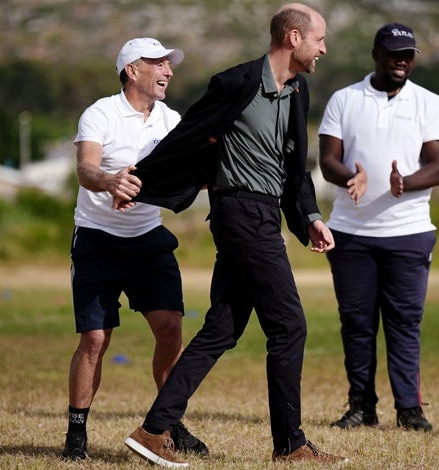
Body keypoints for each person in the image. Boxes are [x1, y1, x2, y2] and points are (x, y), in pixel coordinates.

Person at [117, 3, 346, 467]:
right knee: (289, 325)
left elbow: (294, 169)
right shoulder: (236, 83)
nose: (324, 47)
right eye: (319, 38)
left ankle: (153, 429)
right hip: (238, 212)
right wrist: (139, 180)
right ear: (293, 38)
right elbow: (186, 136)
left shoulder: (298, 91)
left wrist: (310, 218)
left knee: (222, 328)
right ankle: (290, 444)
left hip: (265, 214)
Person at [61, 37, 208, 461]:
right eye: (159, 64)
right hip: (96, 240)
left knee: (171, 328)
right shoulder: (101, 113)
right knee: (95, 338)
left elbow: (188, 175)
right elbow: (86, 168)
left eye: (169, 64)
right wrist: (110, 182)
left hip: (148, 240)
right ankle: (76, 433)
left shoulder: (171, 120)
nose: (168, 72)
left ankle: (168, 423)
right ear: (132, 70)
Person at [318, 22, 439, 432]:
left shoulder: (428, 102)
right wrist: (348, 178)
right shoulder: (344, 99)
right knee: (356, 324)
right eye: (394, 53)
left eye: (408, 54)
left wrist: (404, 183)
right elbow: (328, 160)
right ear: (376, 53)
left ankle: (409, 410)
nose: (402, 61)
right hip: (351, 233)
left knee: (404, 324)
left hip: (409, 232)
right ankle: (361, 406)